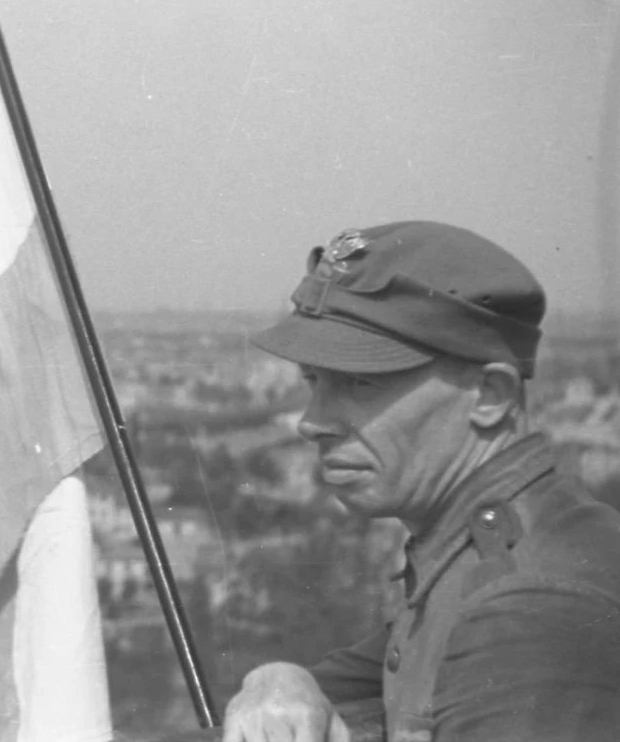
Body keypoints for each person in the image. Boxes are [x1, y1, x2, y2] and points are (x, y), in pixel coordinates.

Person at [219, 221, 620, 742]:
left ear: (490, 395)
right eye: (315, 382)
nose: (311, 421)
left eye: (360, 383)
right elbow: (364, 679)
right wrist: (277, 678)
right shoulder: (473, 553)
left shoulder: (529, 607)